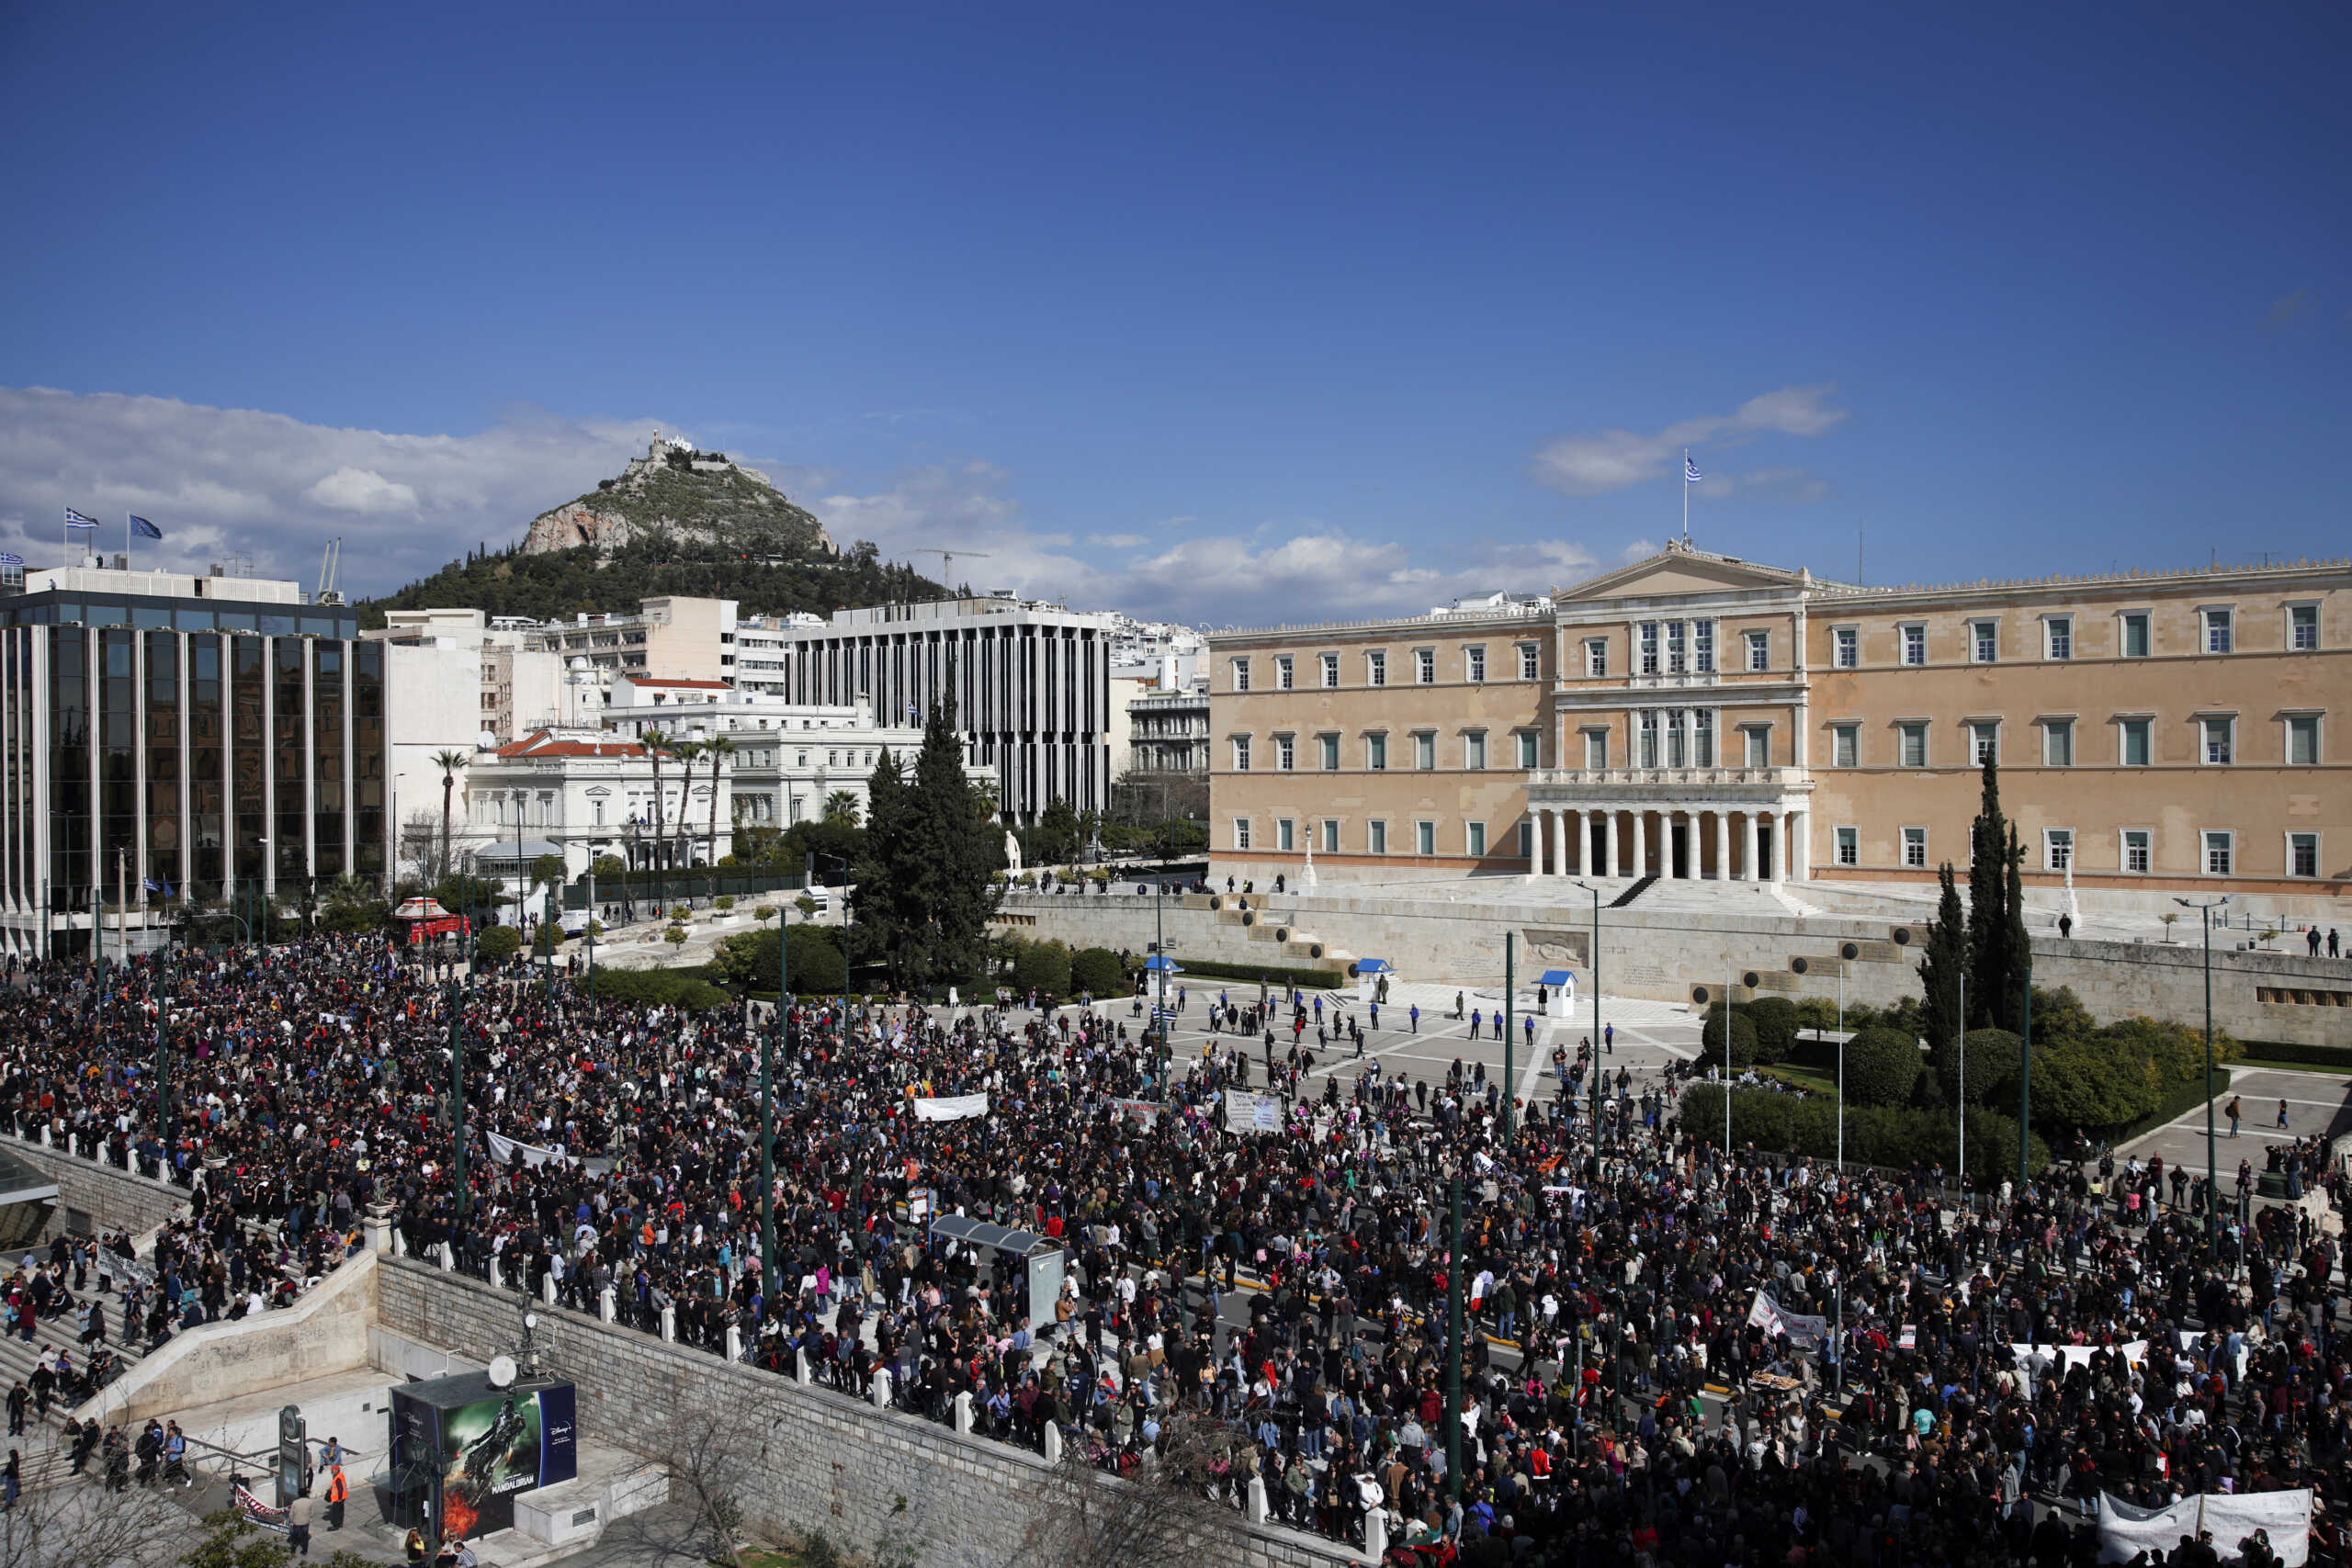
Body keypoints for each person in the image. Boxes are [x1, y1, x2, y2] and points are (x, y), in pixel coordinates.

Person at [287, 1490, 314, 1556]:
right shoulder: (310, 1502)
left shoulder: (295, 1503)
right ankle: (305, 1551)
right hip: (305, 1522)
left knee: (294, 1537)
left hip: (296, 1523)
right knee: (305, 1537)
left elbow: (291, 1514)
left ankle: (293, 1550)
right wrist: (309, 1519)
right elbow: (312, 1512)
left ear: (299, 1495)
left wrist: (291, 1522)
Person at [324, 1461, 349, 1529]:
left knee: (336, 1512)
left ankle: (335, 1525)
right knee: (341, 1511)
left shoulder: (337, 1478)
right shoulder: (340, 1475)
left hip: (338, 1498)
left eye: (332, 1470)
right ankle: (340, 1523)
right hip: (342, 1497)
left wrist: (339, 1498)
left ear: (336, 1470)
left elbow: (340, 1489)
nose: (332, 1471)